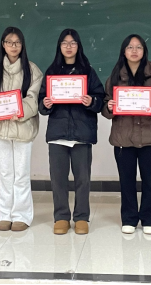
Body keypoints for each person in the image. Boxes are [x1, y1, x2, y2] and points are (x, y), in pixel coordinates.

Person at [102, 34, 151, 236]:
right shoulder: (114, 78)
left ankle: (149, 219)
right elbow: (105, 108)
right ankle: (129, 218)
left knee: (150, 181)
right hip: (123, 139)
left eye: (139, 47)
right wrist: (109, 107)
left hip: (150, 138)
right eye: (130, 47)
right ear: (123, 51)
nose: (134, 51)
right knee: (127, 182)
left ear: (144, 51)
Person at [0, 27, 43, 232]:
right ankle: (5, 214)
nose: (13, 46)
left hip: (23, 129)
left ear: (22, 45)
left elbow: (34, 98)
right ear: (3, 45)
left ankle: (21, 215)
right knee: (5, 174)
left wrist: (20, 112)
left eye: (17, 42)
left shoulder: (32, 70)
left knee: (21, 174)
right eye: (9, 42)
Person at [39, 29, 105, 236]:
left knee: (82, 178)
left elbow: (100, 99)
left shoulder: (88, 71)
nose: (69, 46)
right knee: (58, 179)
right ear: (59, 46)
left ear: (79, 46)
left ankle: (81, 217)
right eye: (65, 43)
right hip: (58, 133)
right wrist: (45, 104)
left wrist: (91, 101)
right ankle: (61, 216)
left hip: (82, 133)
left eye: (73, 43)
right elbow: (41, 102)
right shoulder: (51, 71)